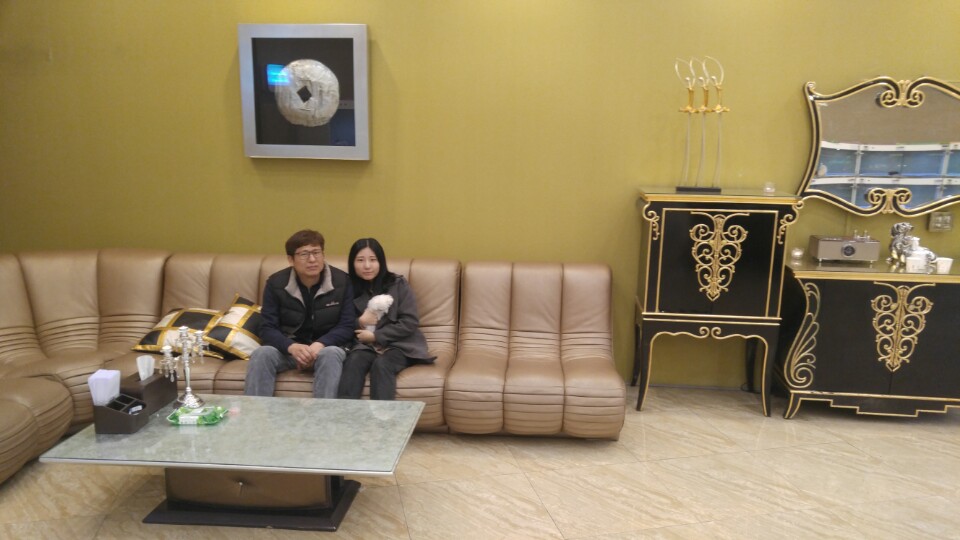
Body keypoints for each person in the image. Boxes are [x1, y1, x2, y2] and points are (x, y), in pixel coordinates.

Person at [245, 229, 355, 398]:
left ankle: (324, 414)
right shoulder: (276, 284)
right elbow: (267, 328)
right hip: (290, 351)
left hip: (327, 349)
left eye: (316, 252)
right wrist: (291, 347)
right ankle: (255, 413)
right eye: (304, 254)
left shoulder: (342, 281)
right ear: (291, 260)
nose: (312, 259)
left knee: (331, 354)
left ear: (323, 255)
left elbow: (347, 325)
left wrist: (321, 344)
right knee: (262, 354)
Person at [338, 238, 434, 400]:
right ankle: (345, 414)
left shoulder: (398, 284)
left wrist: (376, 336)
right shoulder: (348, 288)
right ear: (352, 263)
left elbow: (409, 322)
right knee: (354, 361)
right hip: (366, 346)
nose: (367, 266)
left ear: (381, 262)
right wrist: (360, 322)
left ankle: (382, 416)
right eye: (360, 260)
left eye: (373, 260)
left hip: (400, 345)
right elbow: (342, 322)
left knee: (382, 364)